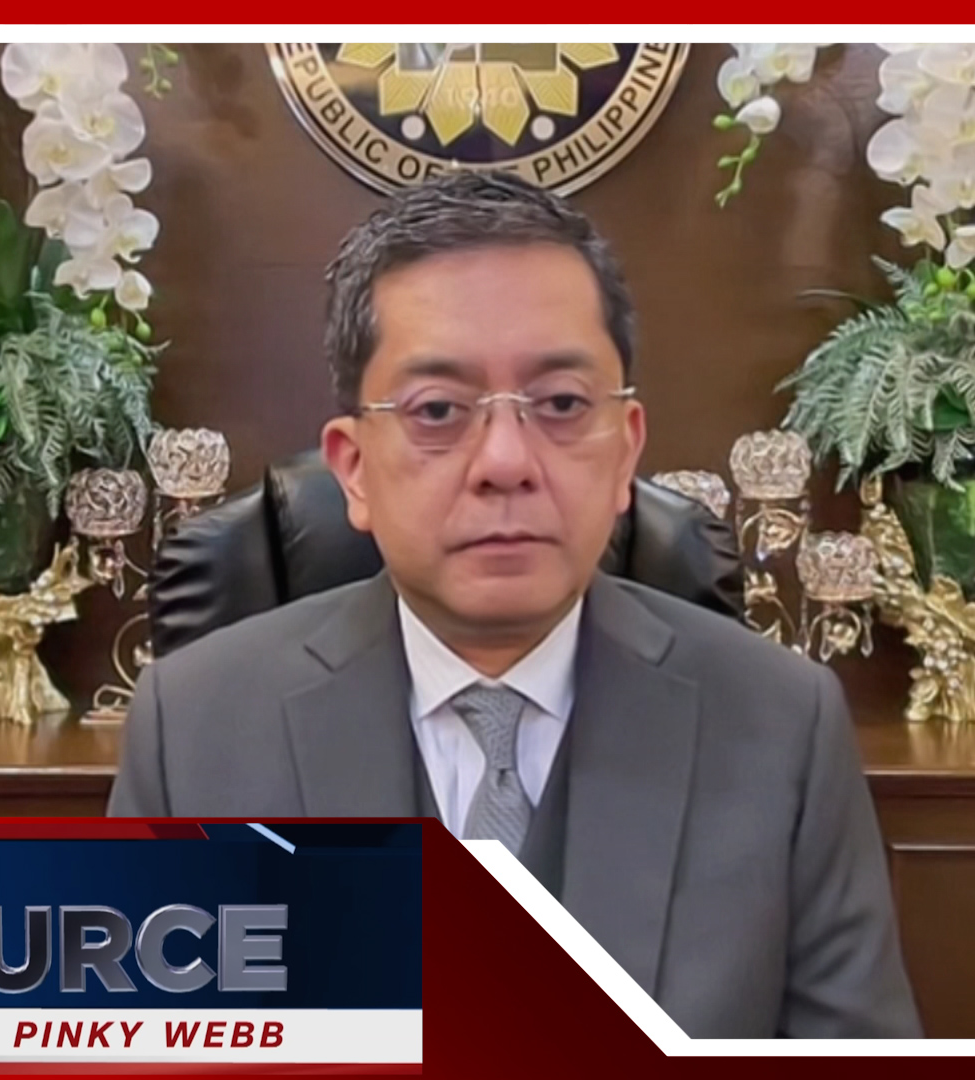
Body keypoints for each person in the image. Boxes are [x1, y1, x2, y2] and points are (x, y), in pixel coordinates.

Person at [108, 170, 920, 1038]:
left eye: (562, 404)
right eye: (438, 410)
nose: (505, 462)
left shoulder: (781, 726)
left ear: (624, 452)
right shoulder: (195, 728)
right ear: (353, 467)